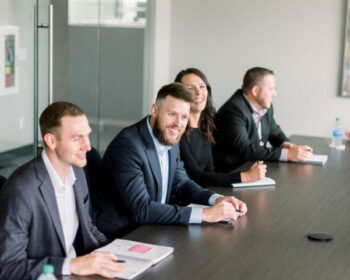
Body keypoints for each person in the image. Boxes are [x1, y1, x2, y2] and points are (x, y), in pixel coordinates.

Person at [95, 83, 247, 237]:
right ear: (154, 110)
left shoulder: (170, 138)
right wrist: (206, 214)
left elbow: (182, 184)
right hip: (122, 234)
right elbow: (142, 209)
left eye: (184, 117)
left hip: (153, 227)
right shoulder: (128, 146)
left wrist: (217, 199)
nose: (178, 124)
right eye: (172, 114)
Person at [0, 102, 123, 279]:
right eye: (77, 138)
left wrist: (118, 251)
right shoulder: (21, 189)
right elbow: (8, 267)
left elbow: (87, 227)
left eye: (87, 136)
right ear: (51, 140)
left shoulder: (78, 172)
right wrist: (71, 265)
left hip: (78, 271)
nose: (87, 146)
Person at [174, 68, 266, 187]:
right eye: (190, 88)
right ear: (178, 95)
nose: (198, 92)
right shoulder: (176, 130)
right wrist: (245, 177)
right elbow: (196, 176)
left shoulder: (205, 125)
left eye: (202, 86)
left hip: (201, 193)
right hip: (182, 200)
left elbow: (210, 170)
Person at [213, 67, 313, 172]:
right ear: (255, 91)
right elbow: (246, 150)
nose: (275, 94)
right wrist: (287, 154)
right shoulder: (234, 110)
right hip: (233, 172)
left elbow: (274, 132)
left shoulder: (265, 105)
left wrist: (287, 145)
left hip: (254, 167)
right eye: (270, 89)